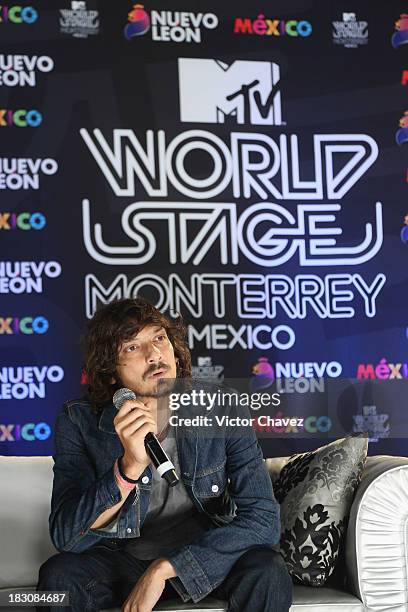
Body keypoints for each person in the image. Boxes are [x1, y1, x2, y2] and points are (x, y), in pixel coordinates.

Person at [37, 298, 293, 612]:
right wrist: (128, 469)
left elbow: (263, 519)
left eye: (159, 338)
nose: (154, 355)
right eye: (132, 347)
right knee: (58, 577)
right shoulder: (78, 421)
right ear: (110, 372)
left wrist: (166, 568)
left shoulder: (222, 406)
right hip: (122, 560)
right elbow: (66, 537)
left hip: (206, 555)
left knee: (267, 569)